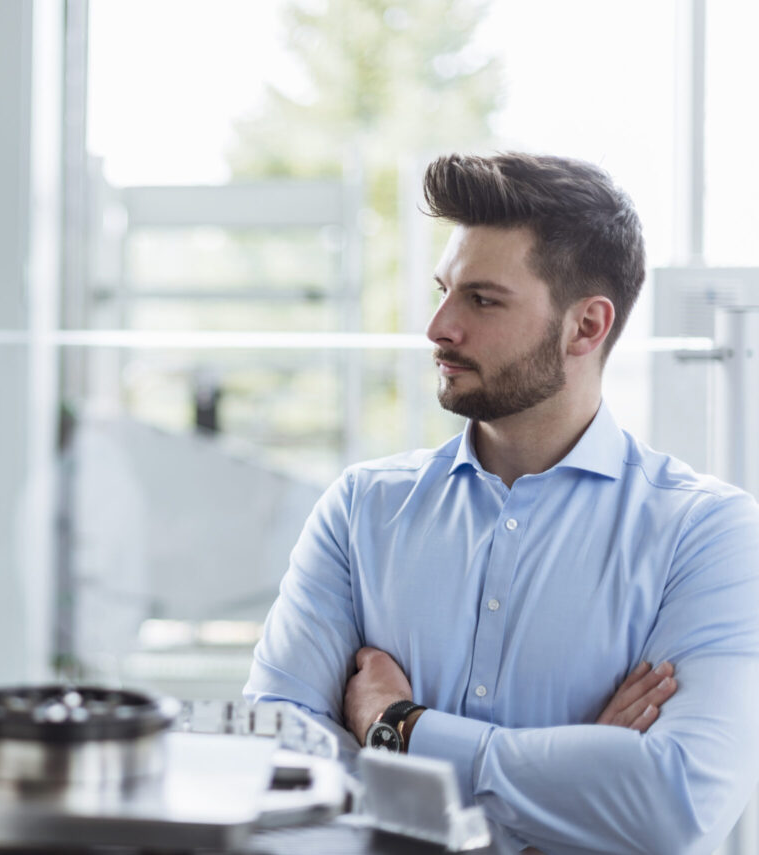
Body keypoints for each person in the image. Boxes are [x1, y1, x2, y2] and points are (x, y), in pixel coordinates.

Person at [245, 152, 759, 854]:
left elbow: (673, 804)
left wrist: (398, 727)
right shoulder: (360, 512)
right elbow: (275, 764)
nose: (438, 327)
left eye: (482, 300)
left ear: (586, 326)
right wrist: (578, 779)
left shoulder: (709, 535)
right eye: (443, 290)